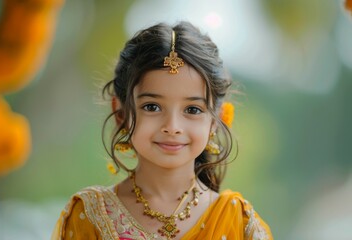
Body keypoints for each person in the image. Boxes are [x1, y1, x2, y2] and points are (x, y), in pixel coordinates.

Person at [52, 21, 273, 240]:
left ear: (215, 120)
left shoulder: (239, 224)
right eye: (152, 107)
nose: (172, 127)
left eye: (192, 109)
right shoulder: (89, 216)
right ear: (121, 113)